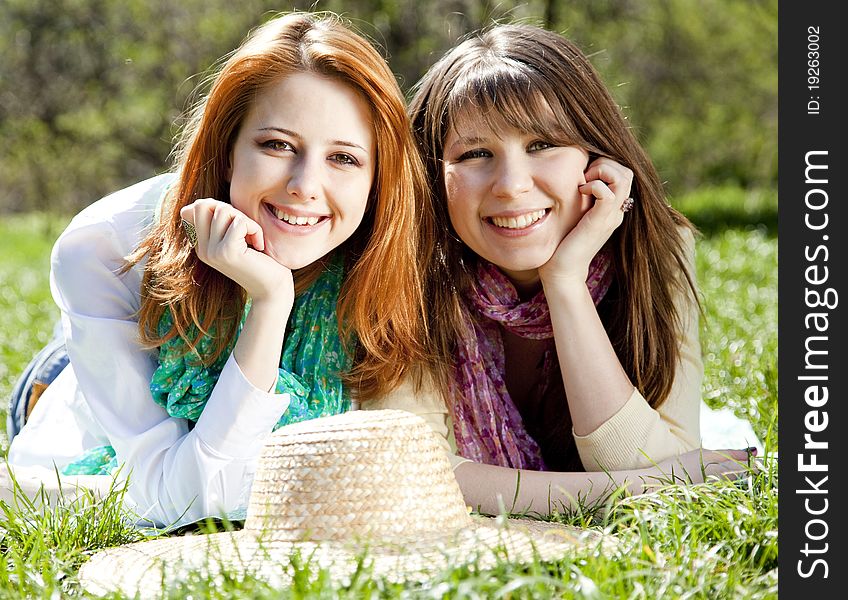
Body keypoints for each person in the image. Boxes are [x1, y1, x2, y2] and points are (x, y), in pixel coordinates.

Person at [5, 11, 434, 528]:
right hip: (83, 401)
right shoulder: (104, 249)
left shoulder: (389, 256)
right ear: (227, 147)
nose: (305, 184)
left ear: (377, 177)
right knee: (63, 375)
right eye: (277, 145)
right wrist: (271, 302)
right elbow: (186, 500)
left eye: (343, 158)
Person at [396, 23, 753, 515]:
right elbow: (414, 473)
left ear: (597, 155)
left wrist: (565, 282)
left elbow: (644, 457)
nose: (512, 185)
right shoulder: (406, 273)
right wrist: (622, 490)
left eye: (542, 144)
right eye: (476, 153)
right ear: (433, 177)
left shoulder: (654, 252)